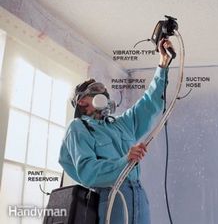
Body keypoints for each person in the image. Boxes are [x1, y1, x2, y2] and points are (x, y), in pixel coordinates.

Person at [59, 39, 174, 224]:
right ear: (81, 101)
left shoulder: (119, 124)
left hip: (138, 194)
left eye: (104, 92)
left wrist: (163, 64)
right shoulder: (78, 128)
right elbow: (88, 173)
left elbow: (149, 103)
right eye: (96, 91)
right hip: (113, 196)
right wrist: (125, 160)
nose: (104, 94)